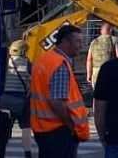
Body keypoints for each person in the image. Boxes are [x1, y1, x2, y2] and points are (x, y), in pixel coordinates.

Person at [30, 25, 90, 158]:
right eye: (77, 41)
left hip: (43, 128)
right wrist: (71, 126)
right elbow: (57, 101)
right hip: (58, 130)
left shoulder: (44, 59)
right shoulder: (59, 64)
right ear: (65, 42)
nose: (81, 45)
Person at [2, 40, 36, 158]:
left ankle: (1, 151)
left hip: (5, 100)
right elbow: (34, 81)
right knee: (26, 127)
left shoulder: (4, 64)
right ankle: (27, 153)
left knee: (4, 129)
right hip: (22, 100)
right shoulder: (28, 64)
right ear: (24, 51)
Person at [87, 23, 117, 89]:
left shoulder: (94, 41)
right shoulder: (115, 40)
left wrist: (89, 74)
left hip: (96, 73)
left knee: (96, 95)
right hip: (110, 72)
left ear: (101, 31)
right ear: (111, 30)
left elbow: (89, 59)